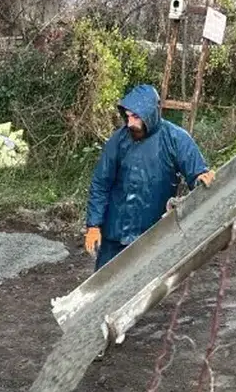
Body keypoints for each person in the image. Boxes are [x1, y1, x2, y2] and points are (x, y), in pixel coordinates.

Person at [84, 84, 217, 270]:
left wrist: (201, 178)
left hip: (152, 236)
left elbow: (197, 174)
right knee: (104, 286)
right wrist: (93, 225)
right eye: (128, 116)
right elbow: (100, 183)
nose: (130, 123)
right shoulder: (118, 141)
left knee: (143, 288)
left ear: (151, 114)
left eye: (136, 116)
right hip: (114, 235)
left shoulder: (176, 139)